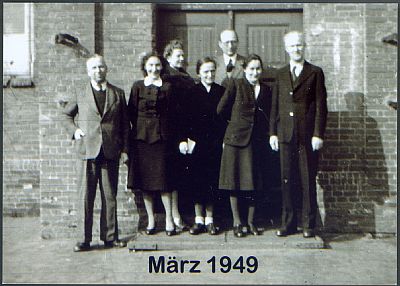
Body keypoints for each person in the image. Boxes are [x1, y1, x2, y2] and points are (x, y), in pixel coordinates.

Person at [62, 54, 129, 252]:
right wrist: (74, 131)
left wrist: (125, 149)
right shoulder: (80, 92)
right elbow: (66, 115)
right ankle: (83, 239)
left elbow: (125, 125)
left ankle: (110, 237)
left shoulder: (117, 93)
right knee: (85, 196)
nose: (98, 71)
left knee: (110, 196)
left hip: (110, 151)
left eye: (101, 67)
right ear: (88, 71)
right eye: (93, 68)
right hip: (87, 150)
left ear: (106, 69)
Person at [269, 31, 328, 238]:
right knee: (287, 180)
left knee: (307, 179)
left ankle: (308, 225)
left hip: (306, 137)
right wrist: (272, 133)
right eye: (292, 46)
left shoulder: (315, 72)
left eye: (299, 45)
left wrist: (318, 134)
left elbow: (321, 106)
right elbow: (275, 106)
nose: (296, 49)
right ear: (286, 49)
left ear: (305, 47)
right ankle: (288, 223)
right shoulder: (281, 74)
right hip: (285, 135)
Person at [217, 54, 274, 237]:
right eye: (251, 69)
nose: (255, 72)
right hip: (235, 141)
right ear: (245, 69)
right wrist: (234, 126)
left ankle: (250, 222)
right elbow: (221, 109)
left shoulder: (266, 89)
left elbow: (269, 115)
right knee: (234, 182)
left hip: (256, 141)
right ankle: (237, 222)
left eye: (258, 69)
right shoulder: (236, 85)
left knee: (253, 182)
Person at [127, 51, 176, 236]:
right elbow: (131, 112)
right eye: (151, 65)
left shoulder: (168, 87)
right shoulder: (137, 87)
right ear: (145, 67)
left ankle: (169, 220)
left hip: (162, 139)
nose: (154, 69)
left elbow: (173, 114)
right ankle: (151, 221)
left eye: (157, 65)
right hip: (141, 140)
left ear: (162, 67)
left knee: (164, 182)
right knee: (145, 183)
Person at [178, 57, 226, 235]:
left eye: (212, 71)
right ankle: (198, 220)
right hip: (196, 144)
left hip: (214, 144)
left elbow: (225, 120)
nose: (210, 74)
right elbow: (182, 119)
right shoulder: (191, 92)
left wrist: (223, 140)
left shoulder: (221, 91)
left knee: (212, 181)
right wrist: (184, 140)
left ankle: (210, 220)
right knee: (197, 181)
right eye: (206, 71)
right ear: (199, 73)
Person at [162, 39, 195, 232]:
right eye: (178, 55)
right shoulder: (167, 78)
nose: (182, 58)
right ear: (168, 57)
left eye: (183, 55)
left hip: (183, 131)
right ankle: (173, 216)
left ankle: (177, 214)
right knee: (171, 176)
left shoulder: (184, 76)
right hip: (171, 132)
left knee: (179, 176)